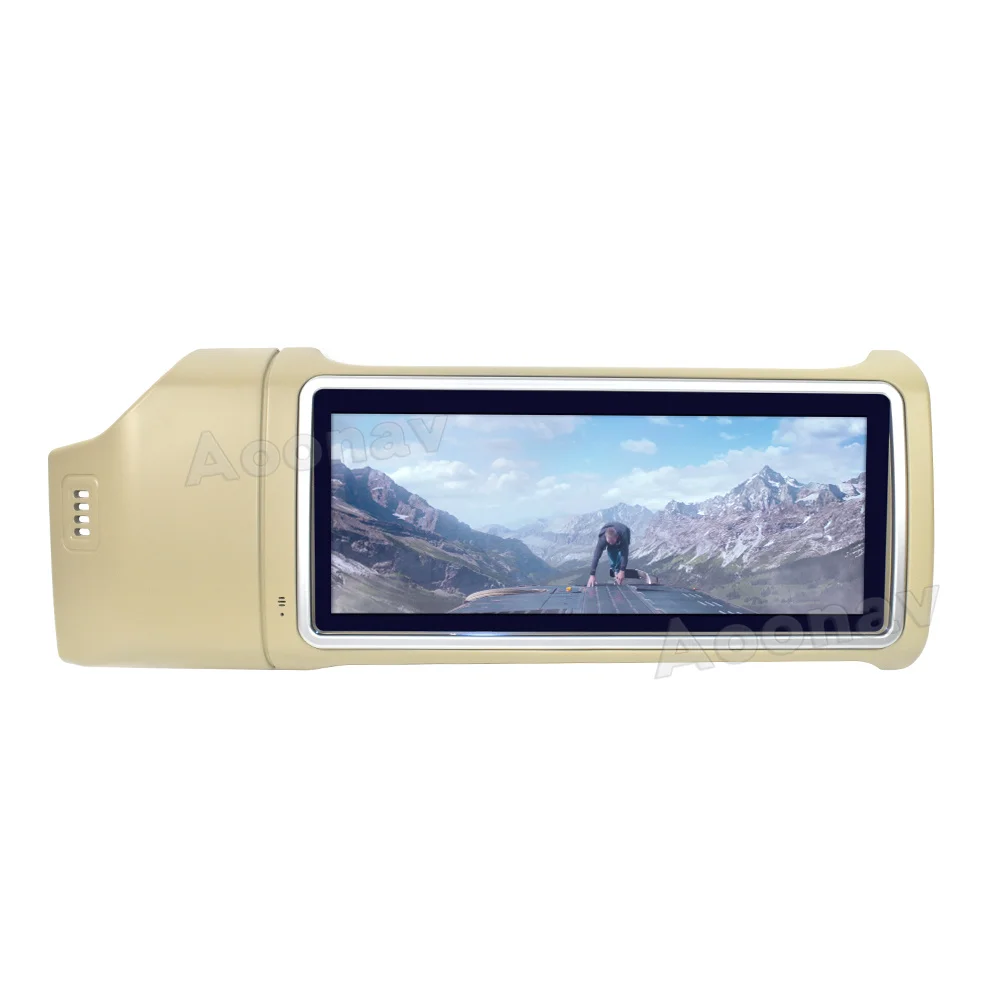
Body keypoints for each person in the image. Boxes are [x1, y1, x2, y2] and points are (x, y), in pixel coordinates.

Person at [587, 521, 631, 587]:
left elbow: (624, 555)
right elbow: (596, 557)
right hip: (609, 532)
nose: (610, 543)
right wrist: (592, 575)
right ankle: (615, 571)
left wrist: (622, 571)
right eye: (609, 541)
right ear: (606, 537)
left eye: (612, 541)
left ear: (617, 537)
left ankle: (618, 570)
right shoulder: (602, 539)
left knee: (621, 552)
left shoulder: (623, 536)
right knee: (611, 550)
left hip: (625, 530)